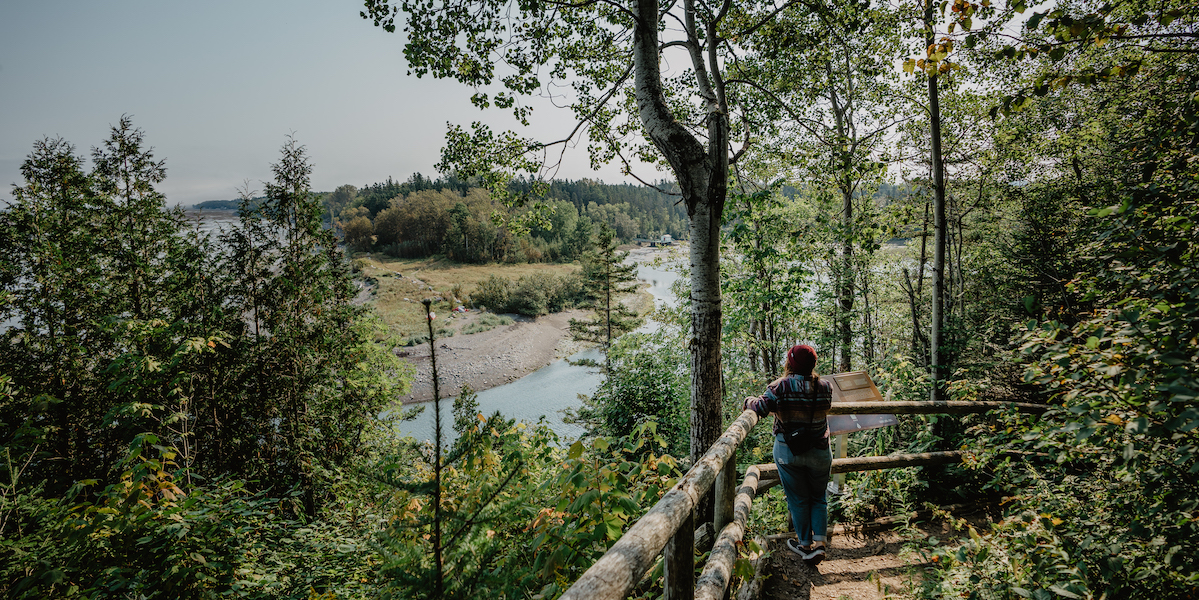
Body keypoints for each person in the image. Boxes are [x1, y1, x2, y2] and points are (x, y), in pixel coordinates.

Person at [744, 344, 833, 566]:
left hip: (789, 451)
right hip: (820, 450)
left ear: (790, 363)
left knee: (799, 499)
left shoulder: (780, 386)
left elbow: (761, 408)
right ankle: (820, 544)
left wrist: (748, 401)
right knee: (819, 497)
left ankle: (805, 545)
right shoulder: (825, 386)